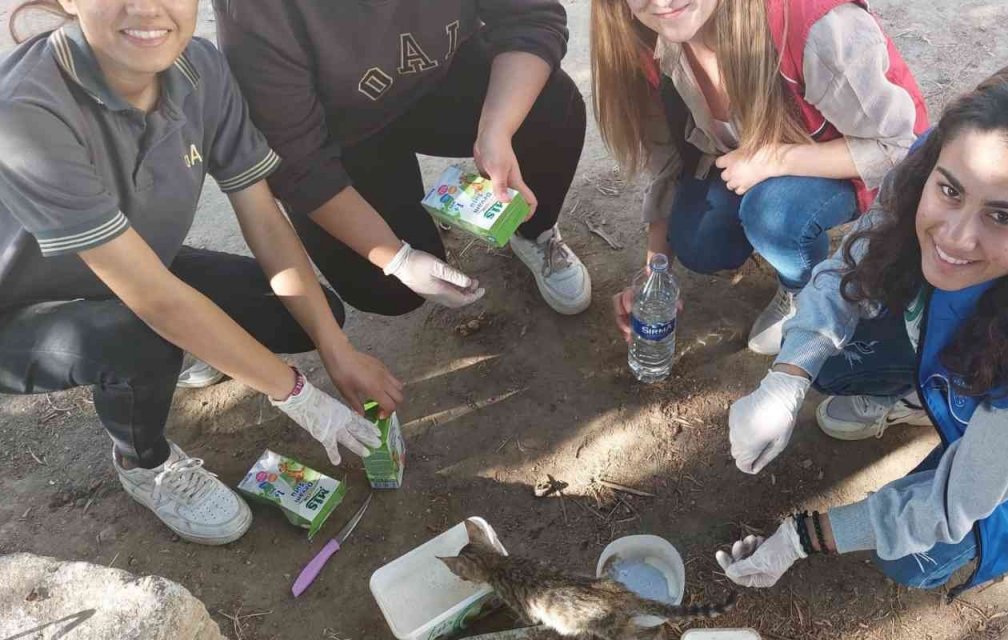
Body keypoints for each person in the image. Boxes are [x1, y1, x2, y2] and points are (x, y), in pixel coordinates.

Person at [716, 65, 1008, 595]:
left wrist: (804, 536)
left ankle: (949, 412)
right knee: (831, 360)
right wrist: (788, 378)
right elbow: (850, 267)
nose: (954, 237)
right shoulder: (950, 158)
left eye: (1002, 217)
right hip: (972, 340)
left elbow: (956, 503)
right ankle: (922, 400)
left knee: (911, 559)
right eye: (950, 192)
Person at [0, 0, 403, 545]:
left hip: (131, 263)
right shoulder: (26, 111)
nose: (146, 7)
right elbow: (156, 300)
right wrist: (298, 395)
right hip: (18, 306)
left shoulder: (202, 66)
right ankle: (144, 462)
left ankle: (189, 349)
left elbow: (262, 216)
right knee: (142, 340)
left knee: (310, 316)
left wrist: (336, 351)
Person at [211, 0, 592, 328]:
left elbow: (532, 19)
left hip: (439, 76)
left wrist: (496, 129)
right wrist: (398, 258)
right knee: (388, 290)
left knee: (552, 106)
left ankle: (533, 232)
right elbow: (295, 160)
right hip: (337, 132)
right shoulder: (256, 9)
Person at [594, 0, 928, 354]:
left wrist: (773, 158)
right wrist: (654, 276)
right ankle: (773, 235)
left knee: (774, 213)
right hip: (745, 160)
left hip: (851, 162)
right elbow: (668, 163)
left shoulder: (813, 23)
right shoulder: (647, 39)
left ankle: (804, 289)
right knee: (696, 241)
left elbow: (902, 148)